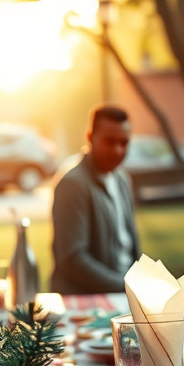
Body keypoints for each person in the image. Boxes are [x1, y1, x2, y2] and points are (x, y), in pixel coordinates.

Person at [50, 104, 142, 294]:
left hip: (123, 295)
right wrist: (125, 287)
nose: (118, 150)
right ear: (90, 137)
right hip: (87, 302)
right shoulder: (72, 184)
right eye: (110, 141)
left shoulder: (122, 179)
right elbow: (72, 260)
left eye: (124, 143)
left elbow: (129, 245)